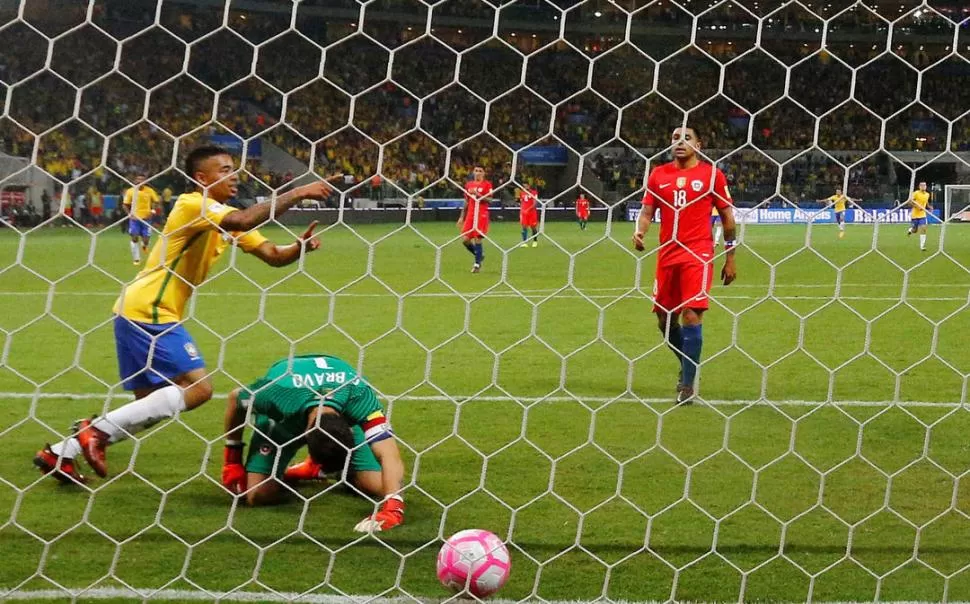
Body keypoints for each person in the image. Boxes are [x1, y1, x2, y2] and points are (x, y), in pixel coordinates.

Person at [33, 146, 336, 484]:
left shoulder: (223, 217)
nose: (233, 175)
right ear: (201, 178)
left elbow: (272, 255)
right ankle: (94, 433)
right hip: (150, 308)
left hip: (134, 310)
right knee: (199, 389)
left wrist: (298, 249)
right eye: (223, 170)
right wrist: (299, 191)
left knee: (147, 404)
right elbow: (244, 219)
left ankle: (62, 451)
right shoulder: (192, 204)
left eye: (233, 168)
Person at [220, 354, 406, 532]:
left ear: (350, 428)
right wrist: (232, 459)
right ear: (304, 436)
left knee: (384, 486)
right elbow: (235, 399)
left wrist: (394, 507)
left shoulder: (359, 395)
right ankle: (313, 468)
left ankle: (337, 471)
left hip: (333, 412)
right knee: (258, 495)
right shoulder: (277, 394)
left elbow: (389, 452)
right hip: (283, 422)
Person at [632, 127, 737, 405]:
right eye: (674, 137)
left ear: (699, 144)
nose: (679, 142)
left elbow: (728, 217)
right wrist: (640, 231)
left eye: (686, 137)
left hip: (698, 253)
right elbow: (647, 210)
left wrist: (730, 257)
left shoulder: (712, 175)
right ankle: (689, 362)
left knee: (691, 315)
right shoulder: (658, 175)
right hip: (667, 254)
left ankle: (687, 385)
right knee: (665, 321)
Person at [456, 166, 492, 273]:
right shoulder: (468, 185)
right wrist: (462, 217)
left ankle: (477, 265)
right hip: (471, 215)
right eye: (476, 171)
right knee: (465, 240)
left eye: (480, 171)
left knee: (477, 239)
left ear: (484, 173)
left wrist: (478, 194)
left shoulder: (487, 184)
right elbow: (466, 201)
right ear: (473, 172)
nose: (478, 173)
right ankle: (479, 254)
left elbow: (490, 199)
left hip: (481, 215)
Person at [122, 175, 161, 264]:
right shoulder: (130, 191)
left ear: (145, 181)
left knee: (146, 240)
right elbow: (125, 204)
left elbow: (156, 201)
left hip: (146, 218)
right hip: (134, 219)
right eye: (138, 179)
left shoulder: (150, 191)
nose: (140, 181)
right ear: (135, 180)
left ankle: (144, 245)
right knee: (134, 237)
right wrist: (129, 214)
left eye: (142, 179)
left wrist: (153, 211)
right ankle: (136, 259)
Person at [906, 181, 932, 251]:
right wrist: (917, 207)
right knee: (915, 230)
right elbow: (909, 202)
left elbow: (926, 202)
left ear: (926, 187)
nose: (923, 187)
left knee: (923, 228)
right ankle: (910, 230)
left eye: (925, 185)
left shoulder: (927, 194)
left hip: (922, 215)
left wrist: (929, 207)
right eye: (922, 186)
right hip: (915, 215)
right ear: (919, 187)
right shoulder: (916, 193)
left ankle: (922, 246)